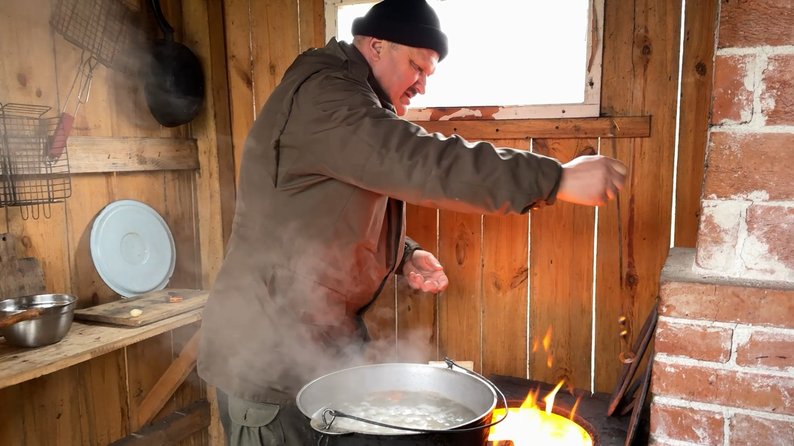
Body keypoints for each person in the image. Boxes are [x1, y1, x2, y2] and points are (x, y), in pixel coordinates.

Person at [198, 0, 627, 444]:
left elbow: (323, 210)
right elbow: (418, 159)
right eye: (416, 67)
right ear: (377, 45)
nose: (421, 86)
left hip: (309, 350)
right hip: (265, 368)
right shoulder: (327, 96)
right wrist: (555, 179)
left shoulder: (347, 99)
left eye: (429, 74)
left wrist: (404, 254)